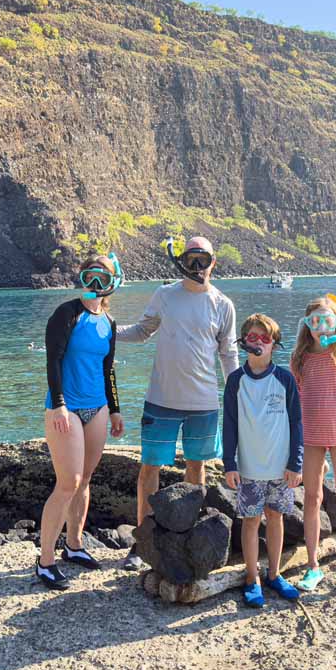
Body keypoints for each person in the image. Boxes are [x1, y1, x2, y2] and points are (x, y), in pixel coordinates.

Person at [116, 235, 239, 570]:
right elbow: (143, 331)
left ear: (214, 263)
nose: (197, 267)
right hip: (161, 400)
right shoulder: (166, 294)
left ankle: (188, 535)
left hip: (203, 402)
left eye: (204, 259)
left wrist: (241, 391)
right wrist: (106, 329)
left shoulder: (222, 304)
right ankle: (142, 543)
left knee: (196, 467)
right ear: (182, 260)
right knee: (149, 468)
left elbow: (229, 353)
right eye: (191, 259)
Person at [36, 254, 125, 589]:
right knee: (68, 482)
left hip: (97, 407)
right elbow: (53, 361)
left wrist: (115, 409)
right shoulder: (66, 314)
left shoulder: (109, 323)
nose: (96, 284)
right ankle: (45, 561)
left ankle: (74, 545)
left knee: (85, 478)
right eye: (91, 276)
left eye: (104, 278)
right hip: (67, 407)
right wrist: (58, 404)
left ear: (113, 283)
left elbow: (108, 369)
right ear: (83, 277)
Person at [222, 313, 303, 607]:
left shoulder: (284, 379)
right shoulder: (236, 381)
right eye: (252, 338)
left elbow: (296, 423)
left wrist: (296, 463)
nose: (258, 344)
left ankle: (275, 573)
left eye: (264, 338)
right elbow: (229, 424)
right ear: (244, 342)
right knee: (251, 520)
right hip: (249, 468)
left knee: (276, 517)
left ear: (274, 344)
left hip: (280, 468)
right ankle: (251, 576)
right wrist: (229, 463)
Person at [291, 294, 336, 599]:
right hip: (310, 437)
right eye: (316, 322)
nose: (322, 328)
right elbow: (295, 401)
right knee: (311, 498)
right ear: (307, 326)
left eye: (328, 321)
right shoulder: (300, 360)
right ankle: (313, 565)